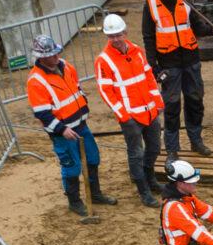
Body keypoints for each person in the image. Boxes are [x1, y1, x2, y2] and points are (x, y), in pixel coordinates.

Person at [25, 34, 109, 221]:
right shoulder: (36, 81)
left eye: (56, 53)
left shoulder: (66, 66)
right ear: (41, 57)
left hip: (81, 125)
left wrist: (83, 106)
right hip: (63, 133)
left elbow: (76, 88)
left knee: (93, 158)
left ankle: (95, 193)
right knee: (72, 167)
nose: (56, 57)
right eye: (51, 55)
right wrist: (62, 129)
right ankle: (74, 201)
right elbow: (42, 114)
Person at [92, 12, 165, 206]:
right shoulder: (103, 60)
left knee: (155, 148)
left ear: (125, 32)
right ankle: (144, 191)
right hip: (130, 116)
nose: (115, 39)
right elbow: (106, 91)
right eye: (111, 36)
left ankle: (150, 179)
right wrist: (123, 115)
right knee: (136, 153)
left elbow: (148, 77)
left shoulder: (137, 51)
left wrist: (157, 101)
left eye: (118, 34)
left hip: (149, 111)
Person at [144, 0, 208, 158]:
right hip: (168, 64)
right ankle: (172, 149)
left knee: (195, 100)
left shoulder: (185, 3)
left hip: (190, 60)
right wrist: (152, 65)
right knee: (172, 106)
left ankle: (196, 141)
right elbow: (148, 36)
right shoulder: (151, 6)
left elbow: (197, 27)